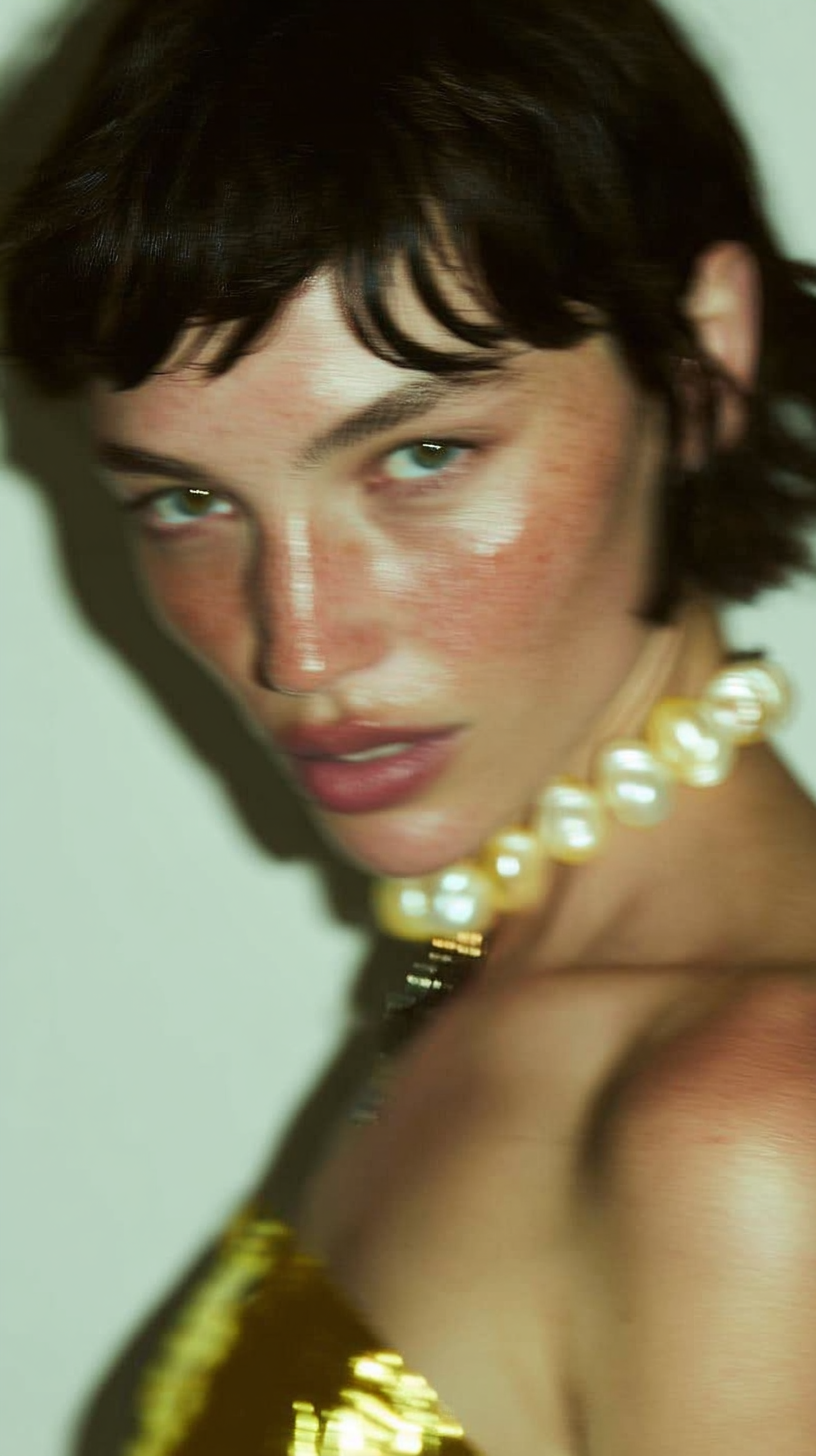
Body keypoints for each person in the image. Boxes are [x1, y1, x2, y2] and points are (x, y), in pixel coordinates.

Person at [3, 0, 816, 1452]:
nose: (298, 642)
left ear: (699, 357)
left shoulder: (749, 1136)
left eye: (420, 456)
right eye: (186, 502)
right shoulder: (475, 970)